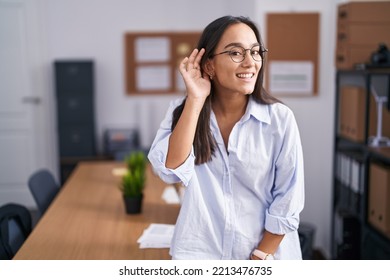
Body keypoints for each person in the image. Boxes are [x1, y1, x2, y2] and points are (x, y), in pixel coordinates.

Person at [148, 15, 304, 260]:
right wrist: (195, 99)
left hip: (265, 257)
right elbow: (169, 171)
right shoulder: (184, 110)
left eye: (255, 52)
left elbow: (288, 200)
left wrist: (259, 257)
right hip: (200, 255)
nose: (250, 62)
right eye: (235, 53)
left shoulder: (279, 120)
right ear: (209, 65)